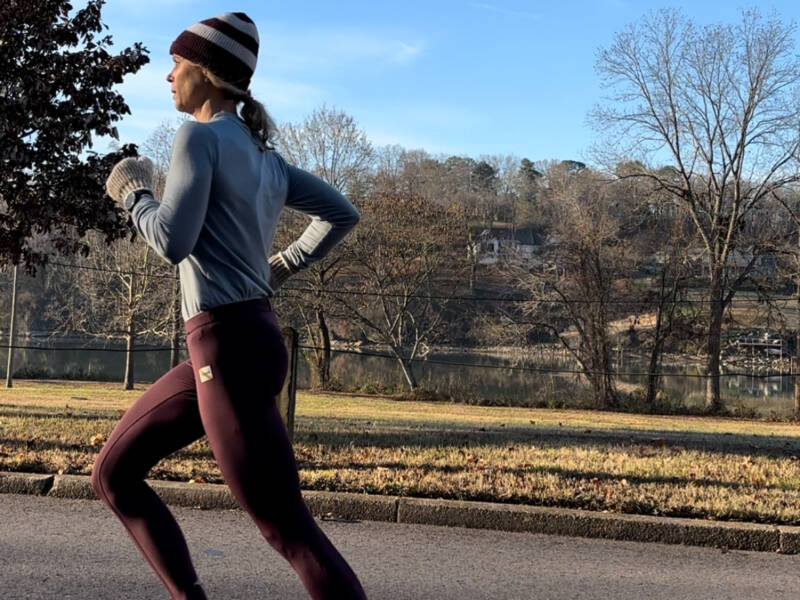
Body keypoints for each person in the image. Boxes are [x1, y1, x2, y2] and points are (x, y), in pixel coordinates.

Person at [94, 12, 367, 600]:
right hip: (239, 342)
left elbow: (172, 241)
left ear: (208, 73)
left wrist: (135, 194)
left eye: (176, 63)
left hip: (226, 349)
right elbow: (342, 213)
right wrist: (285, 263)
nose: (167, 76)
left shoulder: (199, 137)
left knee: (289, 530)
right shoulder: (263, 154)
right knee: (112, 473)